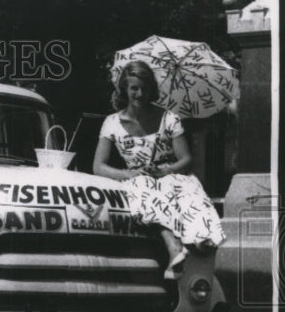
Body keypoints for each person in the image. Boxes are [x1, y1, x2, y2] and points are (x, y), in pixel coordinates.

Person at [93, 60, 225, 279]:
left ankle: (198, 255)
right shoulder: (112, 123)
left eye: (145, 88)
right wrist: (129, 174)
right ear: (124, 89)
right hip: (137, 178)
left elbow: (186, 160)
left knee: (189, 195)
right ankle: (173, 246)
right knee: (142, 190)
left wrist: (166, 170)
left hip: (170, 175)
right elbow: (98, 166)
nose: (140, 94)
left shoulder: (168, 118)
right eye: (134, 88)